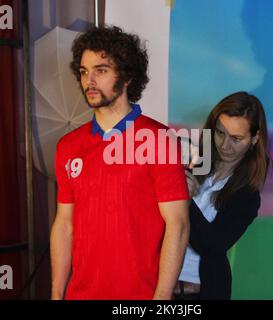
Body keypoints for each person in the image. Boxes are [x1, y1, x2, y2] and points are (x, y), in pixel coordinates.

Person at [50, 26, 190, 300]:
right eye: (83, 71)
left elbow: (179, 226)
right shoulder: (68, 147)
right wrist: (56, 294)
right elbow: (64, 224)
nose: (89, 80)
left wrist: (161, 299)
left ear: (126, 77)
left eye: (100, 70)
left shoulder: (159, 140)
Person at [175, 91, 270, 300]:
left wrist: (185, 199)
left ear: (254, 138)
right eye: (220, 133)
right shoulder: (193, 164)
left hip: (199, 293)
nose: (225, 145)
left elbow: (213, 245)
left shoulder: (247, 195)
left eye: (236, 138)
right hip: (158, 287)